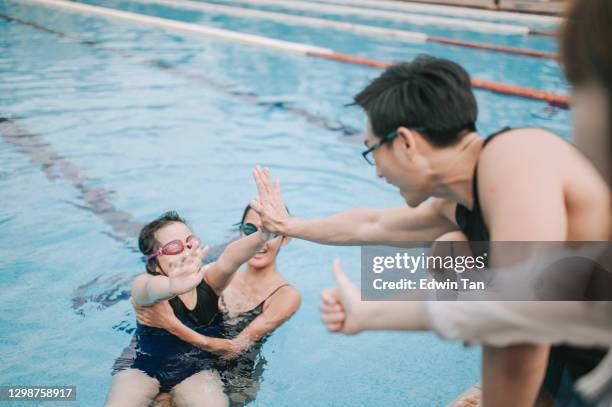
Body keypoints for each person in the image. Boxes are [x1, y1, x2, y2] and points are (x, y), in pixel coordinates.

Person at [249, 52, 610, 406]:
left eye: (371, 151)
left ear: (405, 142)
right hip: (576, 362)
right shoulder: (464, 198)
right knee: (451, 250)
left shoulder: (516, 156)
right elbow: (371, 224)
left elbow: (524, 319)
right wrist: (287, 225)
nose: (376, 171)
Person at [110, 206, 301, 406]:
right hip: (142, 367)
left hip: (194, 372)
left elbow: (232, 256)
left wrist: (264, 234)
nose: (185, 252)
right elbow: (147, 289)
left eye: (190, 242)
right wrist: (175, 285)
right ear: (153, 261)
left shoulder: (209, 280)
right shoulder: (146, 282)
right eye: (174, 247)